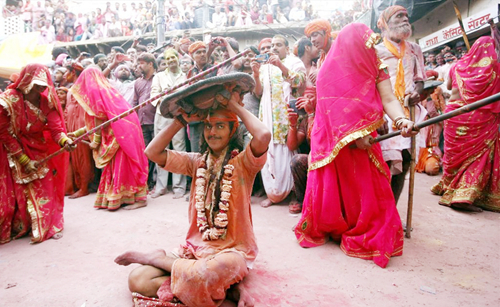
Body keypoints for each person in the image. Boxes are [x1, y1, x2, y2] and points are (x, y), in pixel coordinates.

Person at [114, 74, 271, 306]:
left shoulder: (244, 164)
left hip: (232, 253)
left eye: (220, 126)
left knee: (209, 272)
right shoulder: (196, 162)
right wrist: (180, 121)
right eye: (208, 126)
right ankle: (222, 290)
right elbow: (152, 153)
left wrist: (232, 105)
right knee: (137, 279)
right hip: (195, 250)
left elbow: (264, 135)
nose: (212, 132)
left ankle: (163, 263)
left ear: (232, 131)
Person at [294, 23, 417, 268]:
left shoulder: (375, 64)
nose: (371, 49)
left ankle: (354, 225)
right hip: (332, 136)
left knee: (362, 183)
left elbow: (389, 98)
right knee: (334, 183)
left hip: (362, 136)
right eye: (366, 44)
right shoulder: (329, 67)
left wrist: (402, 119)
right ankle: (336, 224)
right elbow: (329, 104)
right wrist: (349, 134)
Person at [0, 63, 72, 244]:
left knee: (44, 188)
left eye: (43, 85)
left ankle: (44, 225)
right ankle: (22, 225)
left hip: (38, 150)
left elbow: (56, 129)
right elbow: (3, 133)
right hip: (9, 151)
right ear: (26, 80)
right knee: (13, 194)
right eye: (37, 84)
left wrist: (65, 141)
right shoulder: (8, 100)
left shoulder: (46, 102)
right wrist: (23, 159)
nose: (40, 88)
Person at [431, 36, 500, 212]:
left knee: (454, 154)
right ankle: (464, 195)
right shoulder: (494, 69)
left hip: (454, 114)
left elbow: (448, 85)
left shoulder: (457, 66)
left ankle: (449, 186)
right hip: (479, 117)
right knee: (477, 155)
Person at [70, 67, 149, 210]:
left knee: (123, 163)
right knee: (121, 163)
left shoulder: (95, 91)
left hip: (120, 131)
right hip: (124, 128)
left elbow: (99, 118)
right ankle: (122, 197)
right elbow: (98, 120)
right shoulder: (105, 89)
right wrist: (77, 134)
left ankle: (138, 198)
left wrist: (96, 140)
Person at [375, 5, 427, 204]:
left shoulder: (415, 49)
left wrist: (417, 92)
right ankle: (379, 211)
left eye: (406, 16)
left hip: (410, 110)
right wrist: (378, 114)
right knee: (385, 162)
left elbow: (419, 79)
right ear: (386, 24)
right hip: (385, 112)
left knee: (404, 162)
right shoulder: (375, 51)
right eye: (399, 16)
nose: (405, 19)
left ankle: (391, 210)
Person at [253, 34, 306, 208]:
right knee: (268, 152)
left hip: (285, 115)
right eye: (271, 45)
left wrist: (280, 65)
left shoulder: (294, 62)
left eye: (278, 45)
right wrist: (255, 73)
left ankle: (293, 194)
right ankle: (273, 194)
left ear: (287, 48)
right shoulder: (265, 67)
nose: (273, 48)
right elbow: (258, 92)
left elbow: (298, 81)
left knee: (287, 150)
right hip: (267, 114)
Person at [150, 49, 187, 199]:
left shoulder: (184, 75)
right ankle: (161, 186)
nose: (171, 60)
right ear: (165, 61)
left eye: (173, 57)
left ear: (178, 58)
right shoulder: (159, 76)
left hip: (179, 116)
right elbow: (153, 94)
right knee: (162, 149)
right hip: (162, 115)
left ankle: (179, 186)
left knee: (179, 149)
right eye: (168, 58)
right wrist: (164, 98)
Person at [64, 62, 94, 199]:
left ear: (73, 72)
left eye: (67, 72)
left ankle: (84, 187)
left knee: (84, 159)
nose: (65, 75)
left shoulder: (84, 88)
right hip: (72, 126)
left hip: (81, 126)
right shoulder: (71, 89)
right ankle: (79, 185)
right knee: (76, 158)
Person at [132, 53, 157, 191]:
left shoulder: (158, 78)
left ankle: (156, 182)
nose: (139, 66)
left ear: (150, 64)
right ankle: (146, 183)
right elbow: (135, 102)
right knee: (145, 153)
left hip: (156, 120)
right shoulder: (138, 82)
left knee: (157, 152)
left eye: (141, 63)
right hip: (142, 122)